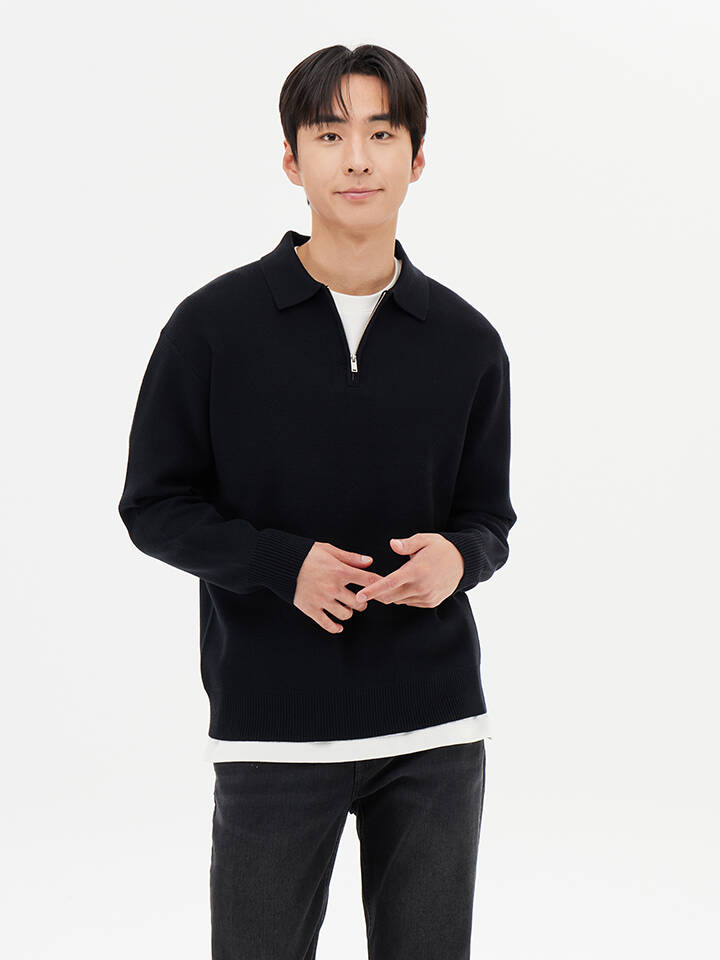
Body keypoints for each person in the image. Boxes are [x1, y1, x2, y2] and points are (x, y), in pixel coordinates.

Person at [118, 43, 517, 960]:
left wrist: (459, 560)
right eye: (331, 135)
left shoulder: (467, 341)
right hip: (274, 731)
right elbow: (154, 504)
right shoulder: (212, 328)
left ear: (418, 158)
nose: (358, 158)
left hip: (436, 728)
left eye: (382, 133)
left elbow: (489, 518)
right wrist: (280, 564)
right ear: (292, 161)